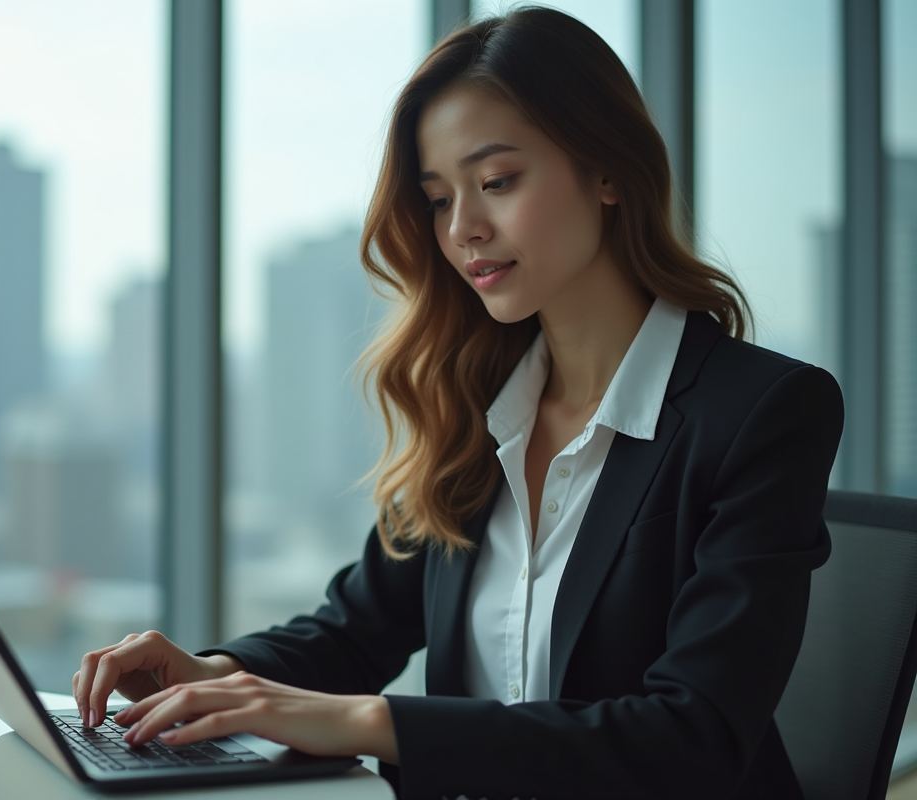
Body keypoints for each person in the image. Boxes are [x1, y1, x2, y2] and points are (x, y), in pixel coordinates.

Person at [73, 7, 844, 799]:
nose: (464, 228)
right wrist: (214, 673)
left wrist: (368, 723)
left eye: (498, 181)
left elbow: (693, 736)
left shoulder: (764, 412)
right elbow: (357, 627)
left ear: (608, 170)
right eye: (440, 199)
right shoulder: (478, 402)